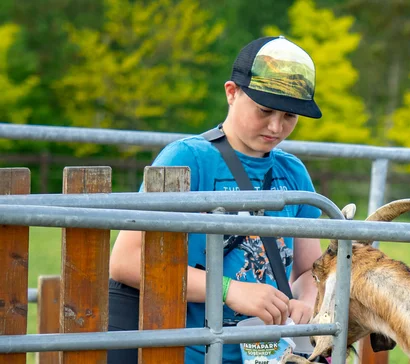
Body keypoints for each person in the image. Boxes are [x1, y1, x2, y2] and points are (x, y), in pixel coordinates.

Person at [107, 35, 326, 364]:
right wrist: (228, 289)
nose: (276, 126)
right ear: (231, 92)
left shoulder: (293, 170)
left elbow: (312, 269)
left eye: (290, 117)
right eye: (264, 110)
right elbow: (125, 262)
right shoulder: (186, 158)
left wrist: (306, 300)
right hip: (184, 351)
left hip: (268, 354)